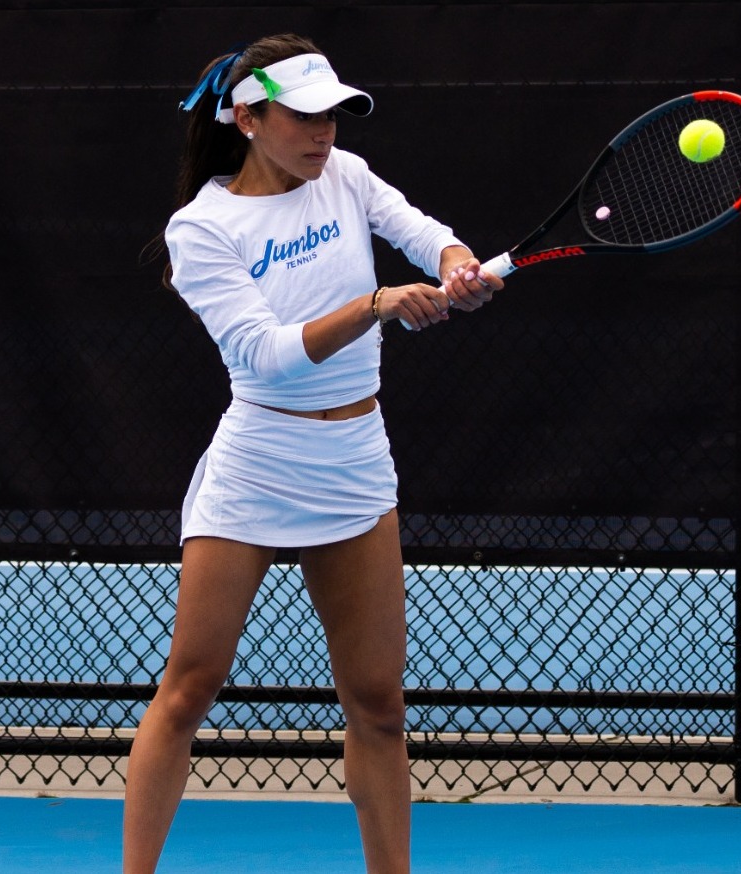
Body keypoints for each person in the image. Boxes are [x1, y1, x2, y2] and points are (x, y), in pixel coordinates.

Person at [123, 33, 502, 874]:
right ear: (248, 119)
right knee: (190, 686)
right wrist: (375, 305)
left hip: (356, 460)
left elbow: (424, 233)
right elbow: (265, 355)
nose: (323, 132)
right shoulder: (202, 227)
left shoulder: (346, 177)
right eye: (304, 117)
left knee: (379, 703)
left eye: (332, 115)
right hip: (259, 459)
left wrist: (457, 265)